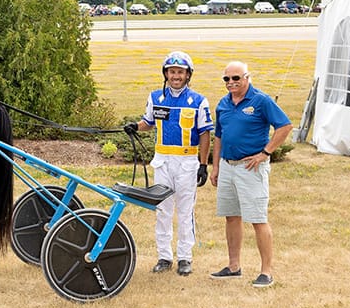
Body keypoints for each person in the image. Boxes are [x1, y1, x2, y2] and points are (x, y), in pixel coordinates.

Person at [124, 51, 213, 276]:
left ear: (188, 75)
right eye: (172, 72)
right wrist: (135, 126)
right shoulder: (155, 98)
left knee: (185, 211)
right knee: (162, 210)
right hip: (163, 162)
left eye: (180, 72)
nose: (176, 76)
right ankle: (164, 256)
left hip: (187, 163)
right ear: (166, 74)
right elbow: (148, 122)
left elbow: (205, 134)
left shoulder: (198, 101)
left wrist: (203, 164)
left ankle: (185, 257)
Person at [209, 61, 293, 288]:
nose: (231, 83)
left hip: (251, 168)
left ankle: (266, 272)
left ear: (247, 77)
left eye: (236, 78)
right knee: (231, 216)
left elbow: (284, 126)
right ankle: (233, 266)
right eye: (226, 79)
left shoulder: (261, 100)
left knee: (257, 218)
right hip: (227, 166)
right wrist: (215, 167)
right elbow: (218, 136)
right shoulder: (223, 104)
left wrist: (265, 153)